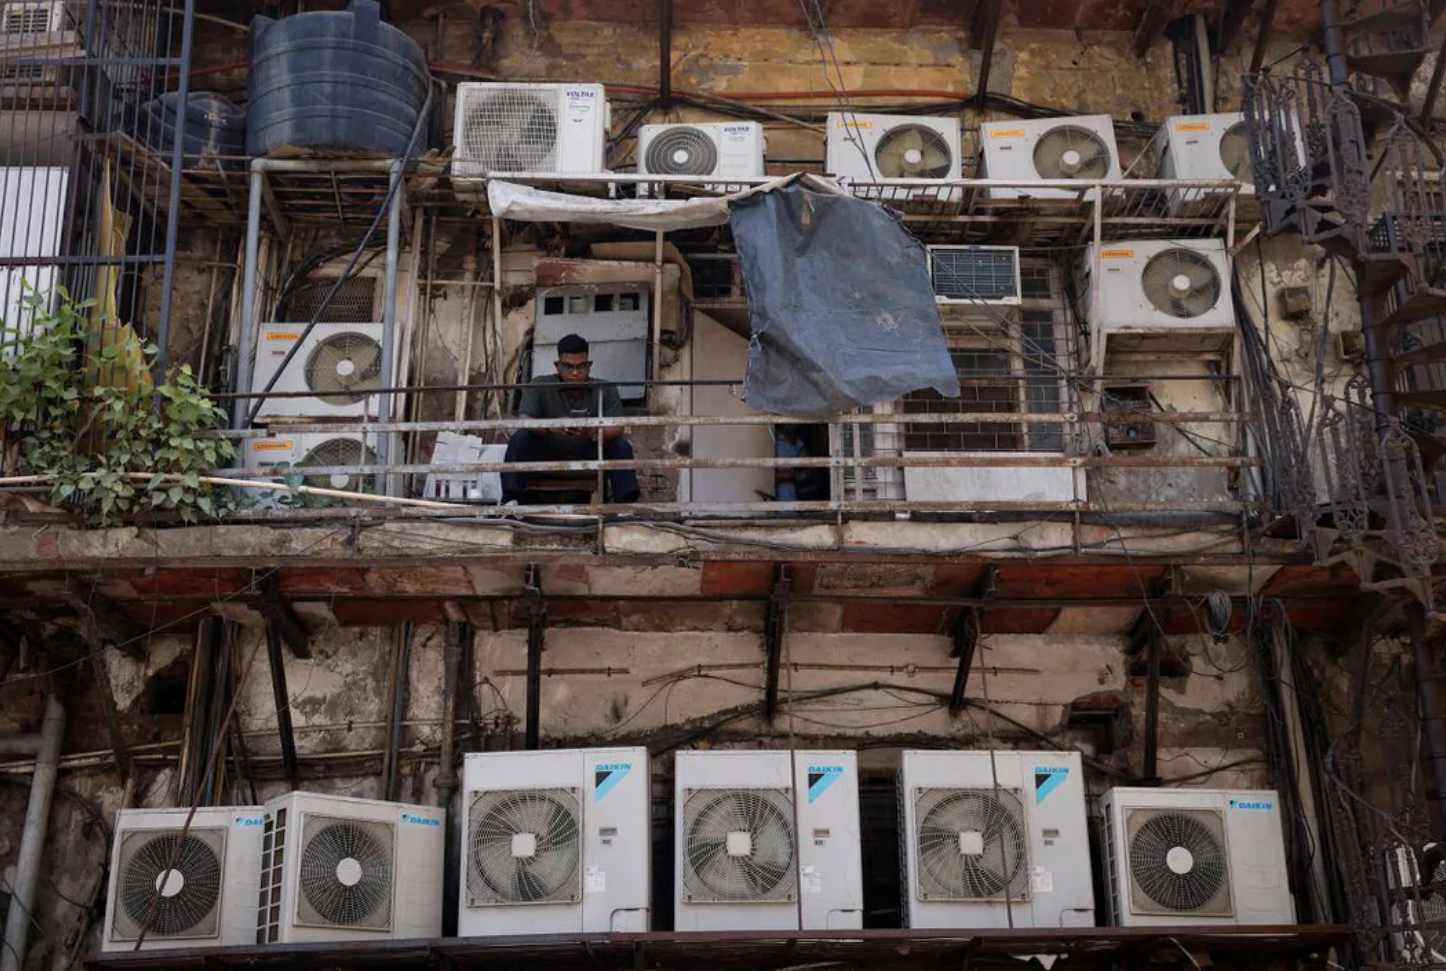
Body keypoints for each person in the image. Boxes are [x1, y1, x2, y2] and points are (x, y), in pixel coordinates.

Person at [502, 333, 640, 504]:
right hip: (547, 452)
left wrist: (592, 432)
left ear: (589, 365)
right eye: (568, 367)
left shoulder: (605, 388)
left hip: (589, 452)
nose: (575, 372)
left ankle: (626, 507)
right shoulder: (540, 385)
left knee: (621, 446)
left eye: (581, 366)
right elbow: (524, 420)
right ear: (557, 365)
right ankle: (512, 502)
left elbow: (618, 428)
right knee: (520, 439)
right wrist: (551, 427)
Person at [774, 425, 821, 505]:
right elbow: (767, 477)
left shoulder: (800, 441)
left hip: (804, 498)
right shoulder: (772, 440)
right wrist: (793, 475)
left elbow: (809, 469)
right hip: (783, 500)